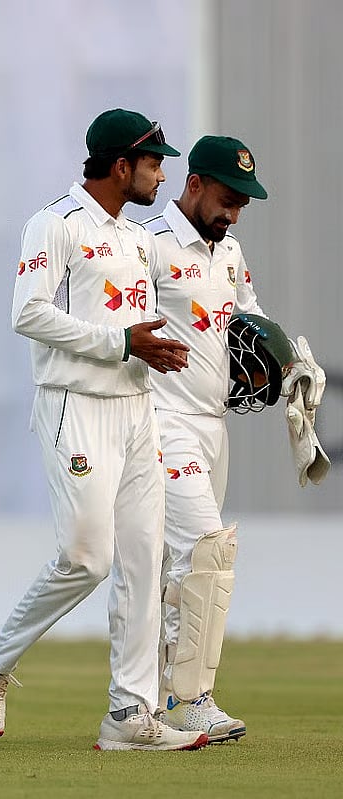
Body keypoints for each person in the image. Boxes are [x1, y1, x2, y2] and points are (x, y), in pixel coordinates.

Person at [0, 109, 208, 752]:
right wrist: (119, 342)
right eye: (155, 163)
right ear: (121, 165)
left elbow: (144, 327)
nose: (162, 175)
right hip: (74, 405)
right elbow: (28, 313)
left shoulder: (134, 238)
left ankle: (130, 714)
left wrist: (161, 349)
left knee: (141, 560)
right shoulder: (56, 224)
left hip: (135, 409)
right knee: (87, 558)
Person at [143, 136, 296, 742]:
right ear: (195, 183)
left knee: (169, 567)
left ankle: (144, 702)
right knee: (207, 552)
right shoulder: (149, 245)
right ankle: (193, 698)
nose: (233, 213)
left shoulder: (230, 253)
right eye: (227, 198)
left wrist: (289, 357)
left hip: (213, 424)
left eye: (243, 203)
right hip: (161, 420)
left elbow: (249, 320)